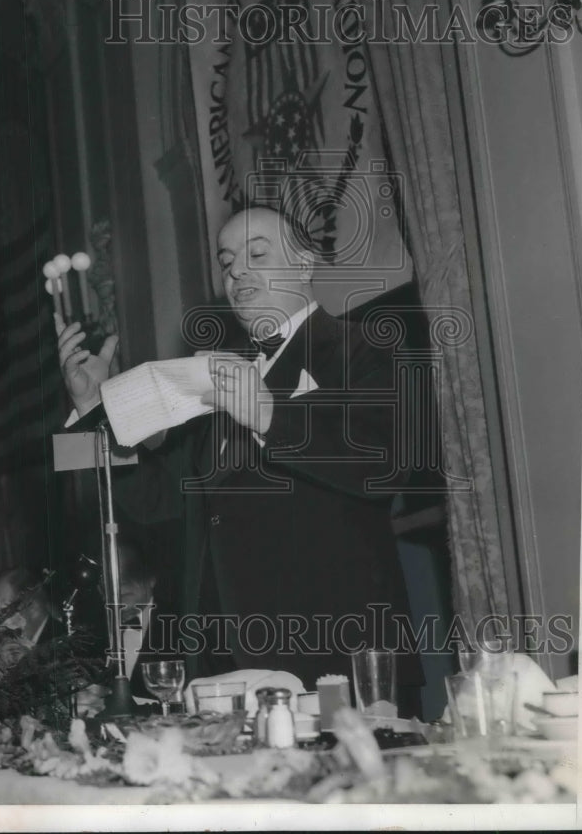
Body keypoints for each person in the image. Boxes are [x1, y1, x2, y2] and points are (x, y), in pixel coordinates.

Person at [57, 204, 422, 713]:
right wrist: (96, 409)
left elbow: (384, 466)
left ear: (304, 265)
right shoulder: (215, 377)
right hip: (223, 666)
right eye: (227, 261)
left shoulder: (363, 348)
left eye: (256, 253)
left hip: (336, 655)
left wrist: (270, 416)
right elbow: (159, 501)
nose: (237, 272)